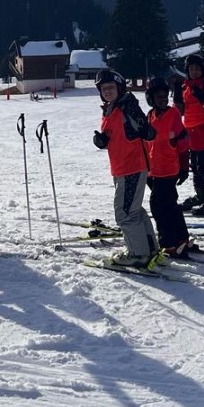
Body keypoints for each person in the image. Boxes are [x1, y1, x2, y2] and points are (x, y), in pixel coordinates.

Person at [91, 69, 160, 268]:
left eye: (111, 87)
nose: (107, 91)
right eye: (103, 88)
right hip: (123, 167)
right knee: (133, 210)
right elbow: (118, 136)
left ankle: (138, 254)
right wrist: (102, 141)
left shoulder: (127, 107)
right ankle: (149, 248)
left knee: (125, 213)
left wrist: (143, 127)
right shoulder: (112, 108)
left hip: (131, 167)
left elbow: (147, 132)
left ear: (120, 88)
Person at [144, 76, 195, 257]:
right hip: (153, 169)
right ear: (150, 98)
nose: (163, 100)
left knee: (158, 205)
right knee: (170, 204)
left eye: (165, 96)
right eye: (158, 97)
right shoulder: (150, 116)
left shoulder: (173, 114)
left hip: (168, 168)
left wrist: (184, 166)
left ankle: (168, 242)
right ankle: (181, 238)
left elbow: (183, 142)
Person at [175, 54, 204, 212]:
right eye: (191, 69)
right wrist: (177, 100)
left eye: (197, 69)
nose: (194, 71)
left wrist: (203, 98)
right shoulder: (185, 86)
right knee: (194, 165)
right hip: (190, 129)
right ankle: (202, 194)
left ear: (202, 70)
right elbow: (180, 111)